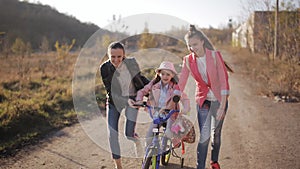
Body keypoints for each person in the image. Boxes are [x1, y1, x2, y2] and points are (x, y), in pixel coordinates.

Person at [178, 25, 233, 169]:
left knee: (216, 134)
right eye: (189, 46)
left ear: (202, 41)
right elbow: (181, 82)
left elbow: (223, 80)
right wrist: (174, 97)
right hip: (203, 101)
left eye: (195, 44)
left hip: (219, 101)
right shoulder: (187, 60)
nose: (192, 48)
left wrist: (222, 106)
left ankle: (214, 161)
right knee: (204, 136)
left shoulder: (215, 56)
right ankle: (200, 166)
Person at [100, 41, 149, 169]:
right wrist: (126, 100)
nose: (116, 60)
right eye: (113, 57)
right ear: (108, 55)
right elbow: (110, 91)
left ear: (124, 55)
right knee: (112, 133)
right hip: (114, 101)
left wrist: (153, 91)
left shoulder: (131, 63)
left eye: (119, 57)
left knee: (129, 134)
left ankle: (136, 141)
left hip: (133, 99)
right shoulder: (104, 69)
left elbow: (140, 79)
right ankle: (118, 166)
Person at [128, 61, 190, 149]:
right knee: (150, 134)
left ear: (172, 75)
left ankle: (175, 142)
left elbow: (184, 98)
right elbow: (142, 91)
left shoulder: (176, 87)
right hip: (157, 113)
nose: (165, 76)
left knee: (169, 132)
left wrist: (186, 108)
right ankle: (148, 154)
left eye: (168, 74)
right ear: (159, 74)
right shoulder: (154, 84)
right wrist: (139, 100)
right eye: (163, 74)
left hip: (170, 114)